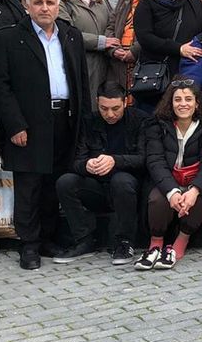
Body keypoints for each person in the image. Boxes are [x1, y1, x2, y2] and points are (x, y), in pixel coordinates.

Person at [0, 0, 91, 270]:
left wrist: (83, 122)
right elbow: (0, 86)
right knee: (29, 187)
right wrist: (14, 125)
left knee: (53, 184)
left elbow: (81, 81)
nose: (44, 8)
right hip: (28, 124)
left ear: (58, 6)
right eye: (38, 3)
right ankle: (29, 245)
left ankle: (46, 238)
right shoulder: (9, 37)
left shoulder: (70, 35)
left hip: (64, 120)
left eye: (50, 3)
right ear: (26, 6)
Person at [54, 83, 148, 266]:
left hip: (129, 189)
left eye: (115, 108)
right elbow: (75, 161)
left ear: (125, 102)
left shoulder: (140, 120)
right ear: (97, 102)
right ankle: (84, 240)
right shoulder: (89, 121)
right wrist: (86, 165)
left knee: (121, 181)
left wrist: (115, 161)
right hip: (97, 187)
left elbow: (145, 160)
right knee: (65, 182)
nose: (110, 114)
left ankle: (125, 242)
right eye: (104, 108)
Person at [137, 81, 202, 271]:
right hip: (167, 180)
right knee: (157, 200)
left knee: (198, 200)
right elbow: (155, 161)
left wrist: (194, 190)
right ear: (170, 103)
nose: (183, 104)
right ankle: (156, 242)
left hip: (193, 181)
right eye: (178, 99)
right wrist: (172, 191)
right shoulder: (157, 125)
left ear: (197, 103)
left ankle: (182, 239)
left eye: (188, 99)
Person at [133, 0, 202, 108]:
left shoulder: (194, 4)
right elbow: (145, 37)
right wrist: (179, 49)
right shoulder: (148, 3)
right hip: (156, 79)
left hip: (188, 76)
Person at [59, 0, 116, 99]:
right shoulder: (63, 2)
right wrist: (100, 42)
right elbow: (66, 32)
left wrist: (113, 46)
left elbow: (113, 24)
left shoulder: (101, 0)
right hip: (81, 64)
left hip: (106, 65)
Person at [106, 0, 158, 92]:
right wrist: (114, 50)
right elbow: (111, 25)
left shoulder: (161, 1)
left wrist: (134, 51)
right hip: (119, 64)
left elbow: (159, 31)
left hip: (146, 66)